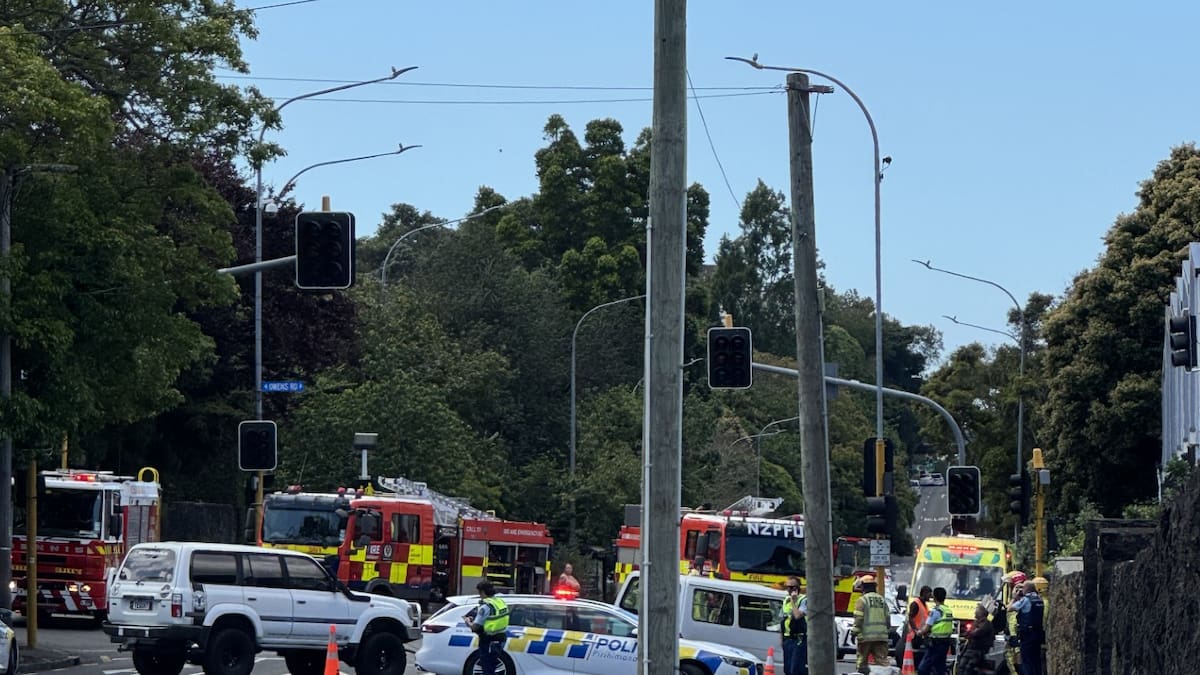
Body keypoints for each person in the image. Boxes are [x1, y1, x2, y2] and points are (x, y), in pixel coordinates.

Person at [468, 580, 509, 675]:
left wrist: (468, 622)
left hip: (489, 641)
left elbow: (475, 627)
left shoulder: (485, 606)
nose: (479, 595)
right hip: (500, 639)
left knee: (487, 668)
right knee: (491, 667)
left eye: (479, 593)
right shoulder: (500, 602)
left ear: (482, 592)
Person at [851, 574, 890, 674]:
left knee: (862, 662)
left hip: (865, 637)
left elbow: (859, 619)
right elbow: (888, 619)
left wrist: (853, 633)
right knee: (882, 663)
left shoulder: (862, 600)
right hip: (881, 637)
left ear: (863, 587)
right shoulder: (882, 600)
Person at [1007, 579, 1045, 675]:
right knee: (1036, 661)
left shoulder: (1025, 600)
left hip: (1027, 634)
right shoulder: (1039, 599)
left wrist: (1014, 598)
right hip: (1038, 634)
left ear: (1026, 589)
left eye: (1022, 588)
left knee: (1026, 661)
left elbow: (1009, 609)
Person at [916, 587, 954, 675]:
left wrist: (919, 632)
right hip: (945, 643)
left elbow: (926, 627)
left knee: (923, 668)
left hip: (935, 644)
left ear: (934, 597)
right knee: (940, 668)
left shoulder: (936, 611)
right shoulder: (948, 610)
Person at [779, 576, 808, 675]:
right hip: (787, 639)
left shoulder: (803, 600)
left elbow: (797, 615)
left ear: (798, 588)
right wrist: (781, 639)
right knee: (787, 670)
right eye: (788, 587)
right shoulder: (785, 600)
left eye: (793, 587)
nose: (790, 590)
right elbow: (782, 620)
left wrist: (793, 602)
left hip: (799, 639)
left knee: (796, 669)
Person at [955, 604, 996, 675]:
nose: (975, 613)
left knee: (967, 668)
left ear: (981, 613)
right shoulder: (976, 622)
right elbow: (969, 633)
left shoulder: (986, 624)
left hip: (978, 650)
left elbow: (975, 633)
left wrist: (969, 633)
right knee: (960, 666)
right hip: (971, 648)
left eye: (977, 611)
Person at [1000, 570, 1027, 675]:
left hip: (1017, 637)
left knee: (1018, 663)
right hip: (1011, 636)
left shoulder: (1023, 600)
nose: (1011, 589)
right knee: (1010, 662)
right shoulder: (1014, 600)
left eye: (1012, 586)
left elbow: (1010, 610)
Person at [906, 585, 932, 655]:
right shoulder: (915, 604)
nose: (930, 597)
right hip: (915, 635)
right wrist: (915, 630)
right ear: (924, 593)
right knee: (915, 653)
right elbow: (910, 617)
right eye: (929, 594)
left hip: (921, 634)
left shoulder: (925, 605)